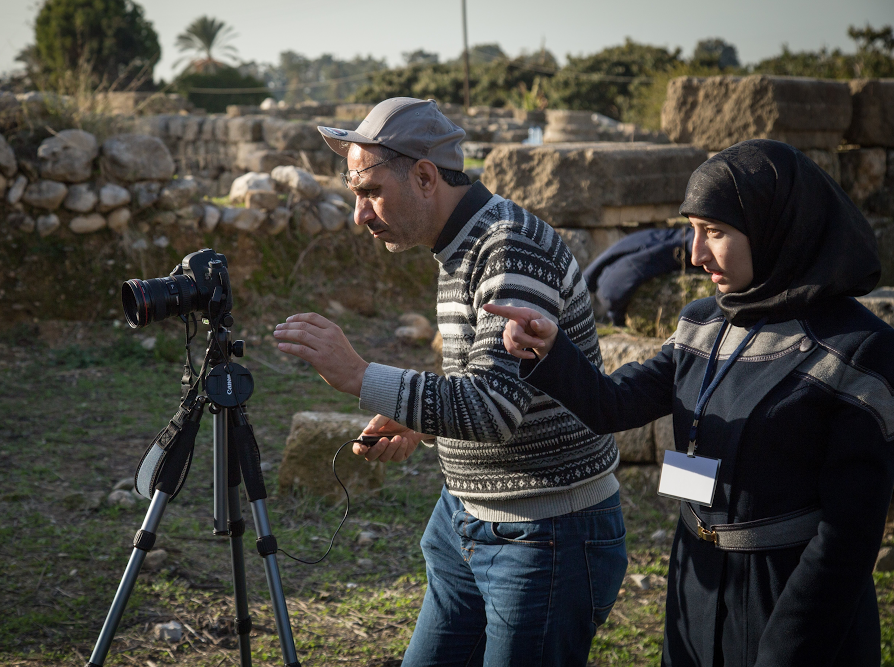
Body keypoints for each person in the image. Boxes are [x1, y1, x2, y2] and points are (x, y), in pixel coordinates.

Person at [487, 139, 894, 667]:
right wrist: (550, 348)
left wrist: (788, 648)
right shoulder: (704, 322)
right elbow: (617, 404)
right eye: (694, 231)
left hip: (791, 600)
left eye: (716, 232)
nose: (697, 255)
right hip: (695, 585)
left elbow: (848, 537)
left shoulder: (856, 351)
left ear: (777, 226)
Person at [273, 97, 627, 666]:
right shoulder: (462, 245)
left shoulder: (510, 248)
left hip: (545, 537)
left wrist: (361, 375)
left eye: (369, 192)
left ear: (424, 175)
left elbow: (492, 407)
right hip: (464, 523)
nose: (359, 214)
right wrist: (422, 422)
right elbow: (503, 388)